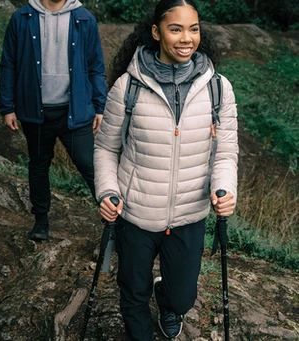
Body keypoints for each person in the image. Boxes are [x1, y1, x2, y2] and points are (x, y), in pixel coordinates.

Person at [94, 0, 238, 340]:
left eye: (194, 29)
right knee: (132, 292)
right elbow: (105, 148)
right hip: (135, 212)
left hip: (188, 214)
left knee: (182, 298)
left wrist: (224, 188)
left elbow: (226, 151)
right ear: (157, 32)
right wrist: (107, 191)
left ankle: (170, 302)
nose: (186, 38)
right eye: (176, 29)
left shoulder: (218, 89)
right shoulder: (127, 87)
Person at [0, 0, 107, 241]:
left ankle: (114, 221)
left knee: (90, 165)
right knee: (38, 165)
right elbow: (9, 64)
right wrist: (7, 107)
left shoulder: (84, 18)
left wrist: (100, 105)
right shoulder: (22, 18)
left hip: (75, 110)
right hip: (35, 111)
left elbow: (95, 66)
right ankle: (41, 220)